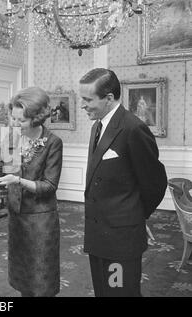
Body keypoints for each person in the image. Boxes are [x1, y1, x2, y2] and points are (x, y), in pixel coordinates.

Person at [79, 68, 167, 297]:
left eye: (88, 100)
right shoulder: (97, 126)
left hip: (120, 239)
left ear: (109, 98)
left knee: (119, 292)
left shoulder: (133, 128)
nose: (83, 105)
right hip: (98, 234)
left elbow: (155, 183)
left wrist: (136, 217)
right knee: (103, 291)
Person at [0, 87, 63, 297]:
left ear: (37, 118)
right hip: (16, 216)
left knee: (41, 278)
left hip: (41, 220)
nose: (15, 124)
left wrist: (19, 180)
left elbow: (49, 186)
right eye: (13, 119)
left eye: (21, 120)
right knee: (23, 276)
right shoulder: (11, 138)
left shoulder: (53, 143)